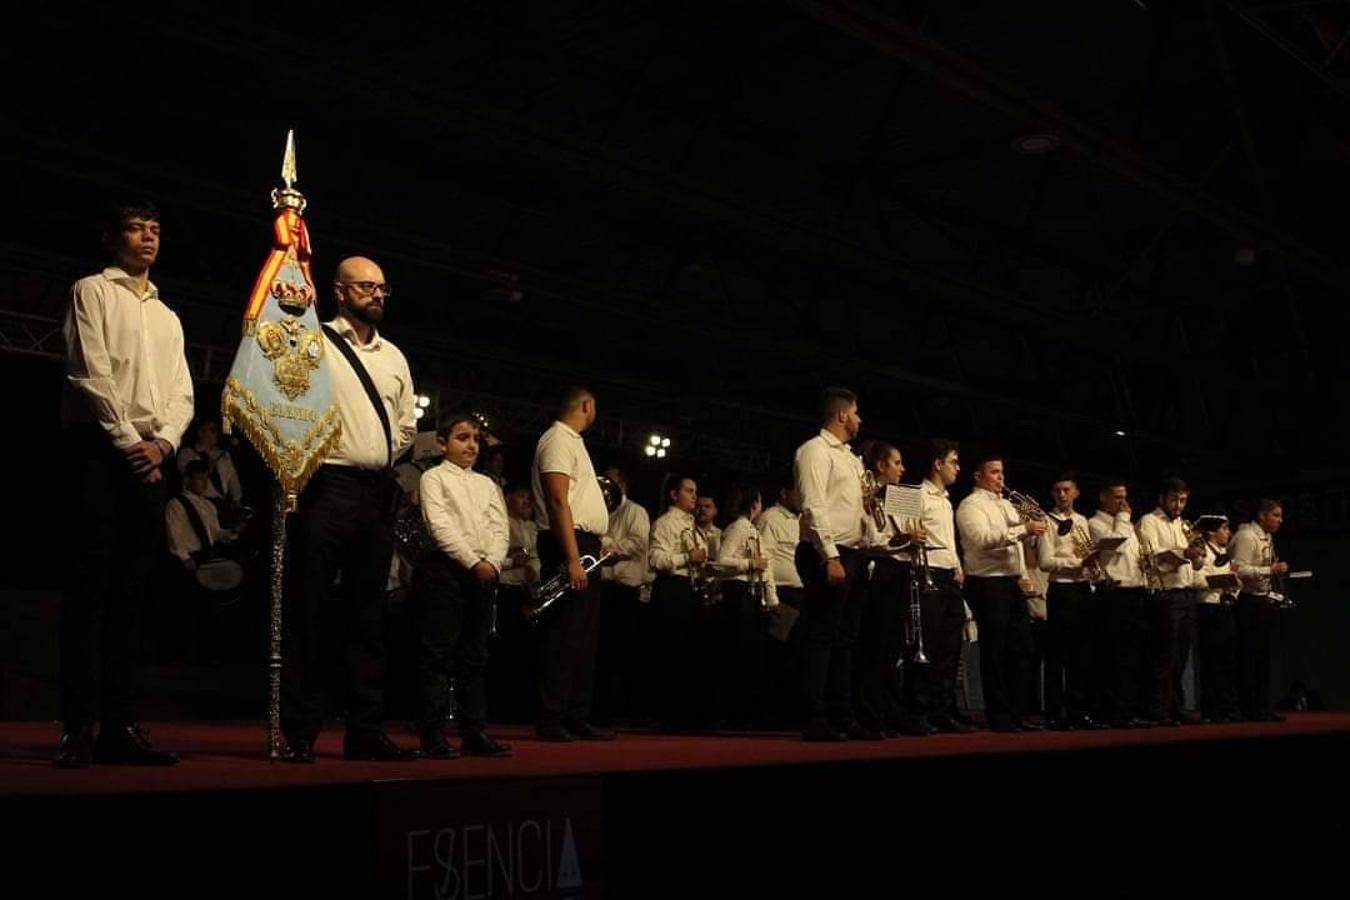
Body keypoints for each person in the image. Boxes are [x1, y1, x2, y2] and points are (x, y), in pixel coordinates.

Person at [57, 200, 193, 767]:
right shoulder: (92, 290)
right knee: (88, 592)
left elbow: (182, 391)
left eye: (156, 229)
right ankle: (77, 729)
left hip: (149, 457)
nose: (148, 237)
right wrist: (127, 440)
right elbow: (89, 369)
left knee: (130, 598)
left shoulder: (168, 315)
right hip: (99, 449)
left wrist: (162, 443)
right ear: (111, 236)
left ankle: (121, 725)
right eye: (137, 228)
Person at [281, 256, 418, 763]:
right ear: (339, 291)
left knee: (369, 616)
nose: (377, 294)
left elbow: (405, 423)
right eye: (366, 286)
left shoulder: (395, 356)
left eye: (383, 287)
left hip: (376, 490)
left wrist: (382, 451)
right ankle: (300, 731)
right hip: (326, 485)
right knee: (310, 609)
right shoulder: (313, 343)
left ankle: (366, 729)